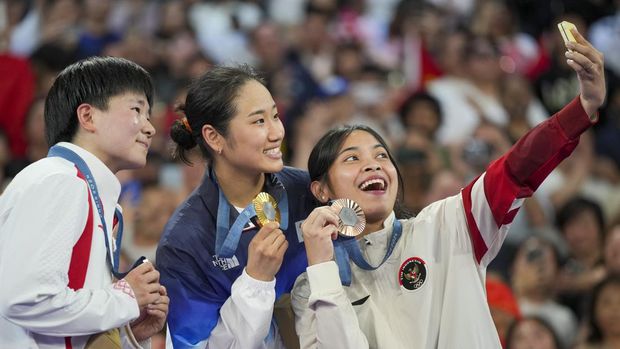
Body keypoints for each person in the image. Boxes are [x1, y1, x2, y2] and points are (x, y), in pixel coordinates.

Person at [291, 28, 605, 348]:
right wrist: (324, 270)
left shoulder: (448, 224)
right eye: (352, 158)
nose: (372, 165)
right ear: (321, 190)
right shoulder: (312, 287)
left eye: (381, 155)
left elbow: (517, 167)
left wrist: (583, 107)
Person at [0, 56, 169, 348]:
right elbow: (25, 299)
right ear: (88, 117)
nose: (150, 127)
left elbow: (65, 319)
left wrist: (125, 331)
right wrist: (125, 298)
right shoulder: (59, 181)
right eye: (137, 110)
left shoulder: (91, 194)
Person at [156, 64, 315, 348]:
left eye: (275, 116)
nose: (277, 132)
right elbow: (196, 345)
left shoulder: (309, 191)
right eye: (258, 121)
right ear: (214, 137)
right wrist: (256, 280)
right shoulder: (185, 241)